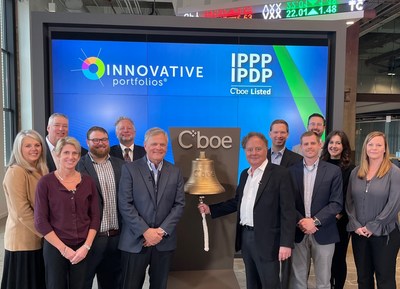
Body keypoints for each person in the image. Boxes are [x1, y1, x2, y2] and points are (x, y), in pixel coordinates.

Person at [198, 132, 296, 289]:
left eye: (258, 149)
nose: (254, 153)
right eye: (249, 149)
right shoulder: (245, 174)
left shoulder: (280, 174)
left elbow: (288, 212)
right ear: (245, 151)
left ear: (266, 149)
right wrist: (211, 209)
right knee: (252, 283)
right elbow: (237, 202)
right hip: (246, 238)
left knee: (270, 284)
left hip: (268, 241)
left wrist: (286, 244)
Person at [118, 127, 185, 289]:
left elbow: (179, 204)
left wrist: (160, 232)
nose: (158, 148)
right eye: (154, 144)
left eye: (162, 145)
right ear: (145, 145)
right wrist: (146, 232)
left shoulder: (175, 172)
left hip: (164, 242)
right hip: (135, 241)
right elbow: (125, 204)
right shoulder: (130, 169)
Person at [34, 136, 100, 289]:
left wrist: (86, 247)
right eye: (66, 153)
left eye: (75, 153)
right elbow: (40, 222)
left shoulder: (88, 181)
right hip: (56, 248)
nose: (71, 157)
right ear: (57, 155)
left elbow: (95, 217)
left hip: (83, 248)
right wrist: (64, 249)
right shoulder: (45, 182)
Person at [346, 131, 400, 289]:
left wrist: (373, 226)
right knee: (363, 278)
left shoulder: (394, 173)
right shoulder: (356, 172)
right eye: (370, 144)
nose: (374, 148)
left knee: (385, 279)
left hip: (385, 235)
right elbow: (349, 202)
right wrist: (355, 224)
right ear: (365, 147)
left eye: (378, 145)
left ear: (385, 149)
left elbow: (394, 203)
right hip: (360, 234)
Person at [289, 131, 343, 289]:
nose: (309, 147)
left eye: (313, 143)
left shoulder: (333, 171)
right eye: (306, 144)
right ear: (301, 147)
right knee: (298, 280)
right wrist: (302, 221)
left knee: (324, 281)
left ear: (320, 145)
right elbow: (288, 203)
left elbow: (336, 203)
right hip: (298, 232)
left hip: (324, 232)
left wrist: (314, 221)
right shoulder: (291, 171)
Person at [77, 126, 125, 289]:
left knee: (113, 283)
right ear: (87, 142)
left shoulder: (121, 165)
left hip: (116, 237)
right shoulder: (78, 166)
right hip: (91, 239)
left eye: (104, 140)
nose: (100, 143)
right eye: (95, 140)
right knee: (84, 282)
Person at [1, 130, 48, 289]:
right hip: (23, 241)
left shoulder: (42, 169)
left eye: (37, 145)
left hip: (38, 238)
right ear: (19, 149)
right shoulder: (16, 171)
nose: (34, 149)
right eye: (28, 145)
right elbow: (23, 212)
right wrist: (47, 234)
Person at [267, 119, 302, 289]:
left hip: (286, 219)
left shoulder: (297, 160)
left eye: (283, 132)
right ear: (270, 133)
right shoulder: (260, 155)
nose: (279, 135)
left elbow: (297, 193)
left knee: (285, 265)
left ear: (287, 134)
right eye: (276, 132)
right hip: (264, 220)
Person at [320, 130, 355, 289]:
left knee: (338, 258)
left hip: (339, 221)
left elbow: (348, 194)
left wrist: (337, 215)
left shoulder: (350, 168)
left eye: (338, 143)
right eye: (331, 143)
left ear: (344, 146)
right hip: (322, 219)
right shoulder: (320, 164)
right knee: (324, 259)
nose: (334, 146)